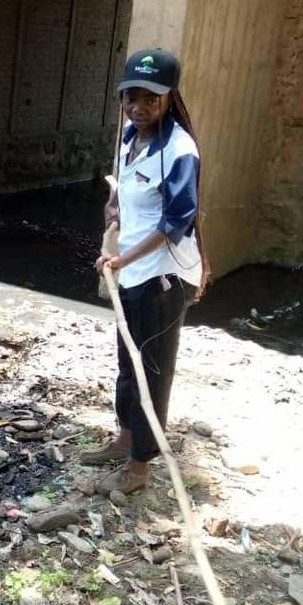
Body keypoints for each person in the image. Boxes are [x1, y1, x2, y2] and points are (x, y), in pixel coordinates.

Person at [85, 48, 209, 495]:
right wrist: (114, 207)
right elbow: (126, 190)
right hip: (134, 272)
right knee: (126, 360)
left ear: (168, 98)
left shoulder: (179, 149)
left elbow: (176, 223)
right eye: (130, 98)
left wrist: (123, 258)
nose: (138, 108)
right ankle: (124, 438)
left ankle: (139, 469)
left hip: (164, 276)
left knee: (151, 370)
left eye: (149, 99)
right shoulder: (129, 138)